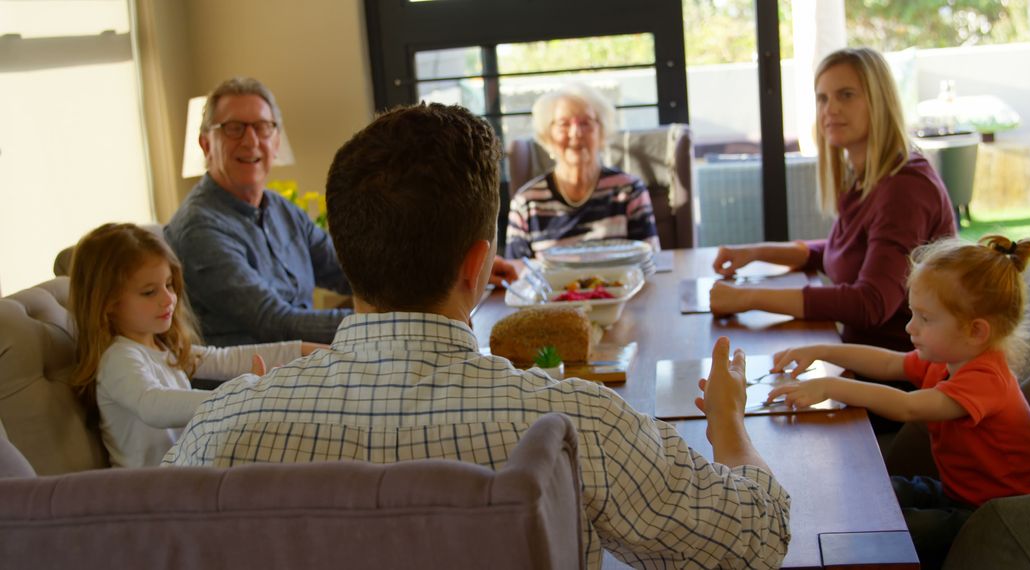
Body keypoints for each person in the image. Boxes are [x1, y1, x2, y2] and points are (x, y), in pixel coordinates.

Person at [164, 103, 791, 568]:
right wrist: (729, 427)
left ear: (348, 260)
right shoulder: (574, 427)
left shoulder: (224, 426)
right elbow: (753, 543)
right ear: (477, 266)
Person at [765, 235, 1030, 569]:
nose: (910, 327)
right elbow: (889, 363)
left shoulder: (987, 380)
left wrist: (833, 386)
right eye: (913, 313)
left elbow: (908, 406)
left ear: (976, 331)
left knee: (879, 534)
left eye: (925, 319)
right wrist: (820, 350)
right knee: (866, 490)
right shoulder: (949, 356)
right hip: (958, 493)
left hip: (996, 520)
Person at [166, 77, 517, 346]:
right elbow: (273, 321)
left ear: (275, 140)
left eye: (262, 127)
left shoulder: (282, 210)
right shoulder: (199, 227)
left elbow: (354, 265)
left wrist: (457, 266)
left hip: (308, 365)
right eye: (233, 128)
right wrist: (401, 320)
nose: (250, 141)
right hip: (251, 387)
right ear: (205, 144)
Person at [710, 48, 955, 352]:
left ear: (879, 102)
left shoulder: (904, 188)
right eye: (822, 98)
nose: (830, 109)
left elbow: (871, 303)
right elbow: (847, 251)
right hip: (863, 362)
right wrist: (754, 253)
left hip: (899, 382)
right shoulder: (866, 177)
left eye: (846, 95)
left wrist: (747, 298)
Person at [67, 223, 323, 468]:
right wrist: (238, 397)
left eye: (168, 285)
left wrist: (303, 351)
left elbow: (225, 359)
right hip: (148, 493)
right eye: (149, 292)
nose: (168, 298)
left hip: (185, 473)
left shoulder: (163, 348)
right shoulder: (118, 358)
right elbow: (152, 405)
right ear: (107, 304)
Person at [505, 83, 661, 259]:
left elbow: (651, 261)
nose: (576, 133)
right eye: (564, 124)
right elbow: (516, 274)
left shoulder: (629, 191)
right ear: (548, 135)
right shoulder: (526, 203)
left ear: (601, 132)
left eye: (586, 123)